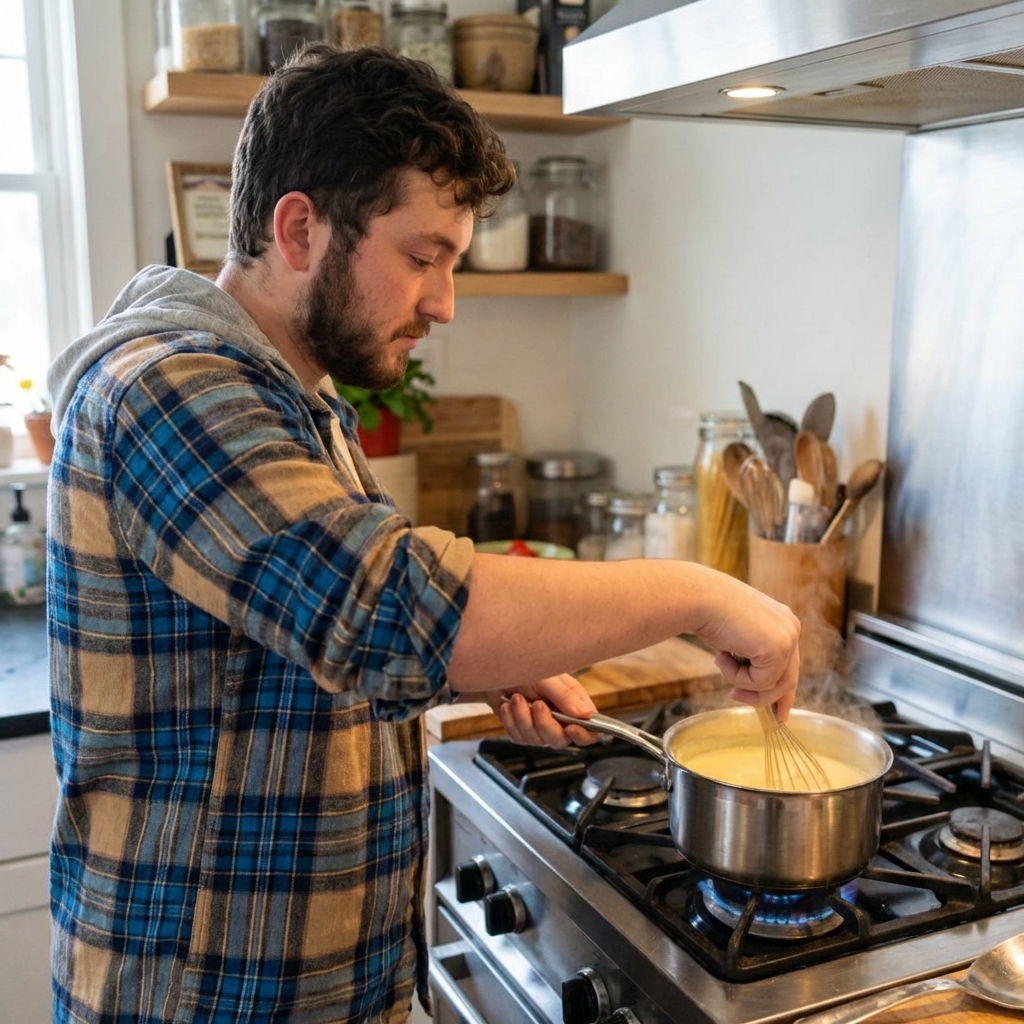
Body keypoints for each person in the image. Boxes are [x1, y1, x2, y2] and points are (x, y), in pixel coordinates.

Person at [45, 46, 799, 1024]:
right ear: (300, 228)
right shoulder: (166, 390)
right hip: (202, 999)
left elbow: (312, 637)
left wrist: (485, 665)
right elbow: (387, 606)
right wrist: (701, 590)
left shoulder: (298, 404)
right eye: (423, 256)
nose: (443, 302)